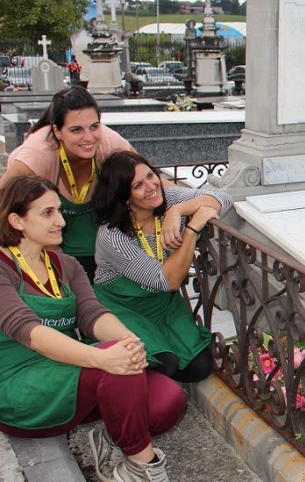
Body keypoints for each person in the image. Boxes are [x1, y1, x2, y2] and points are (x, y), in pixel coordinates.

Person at [0, 175, 187, 482]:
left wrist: (129, 343)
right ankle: (142, 465)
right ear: (17, 220)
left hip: (67, 372)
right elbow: (31, 332)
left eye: (59, 211)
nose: (62, 221)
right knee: (112, 366)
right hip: (16, 386)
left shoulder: (65, 265)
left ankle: (111, 440)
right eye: (48, 213)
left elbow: (92, 314)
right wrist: (102, 356)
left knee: (168, 402)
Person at [92, 151, 232, 382]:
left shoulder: (167, 200)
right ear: (124, 196)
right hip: (123, 308)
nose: (150, 186)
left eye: (150, 175)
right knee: (163, 362)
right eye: (138, 185)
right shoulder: (112, 235)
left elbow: (223, 198)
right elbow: (168, 281)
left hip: (164, 305)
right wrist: (192, 229)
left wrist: (178, 211)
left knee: (198, 368)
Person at [0, 86, 148, 280]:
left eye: (94, 126)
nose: (88, 137)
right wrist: (42, 248)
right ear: (57, 131)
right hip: (51, 253)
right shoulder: (39, 154)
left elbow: (153, 182)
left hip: (101, 251)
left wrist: (179, 209)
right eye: (76, 130)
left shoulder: (108, 142)